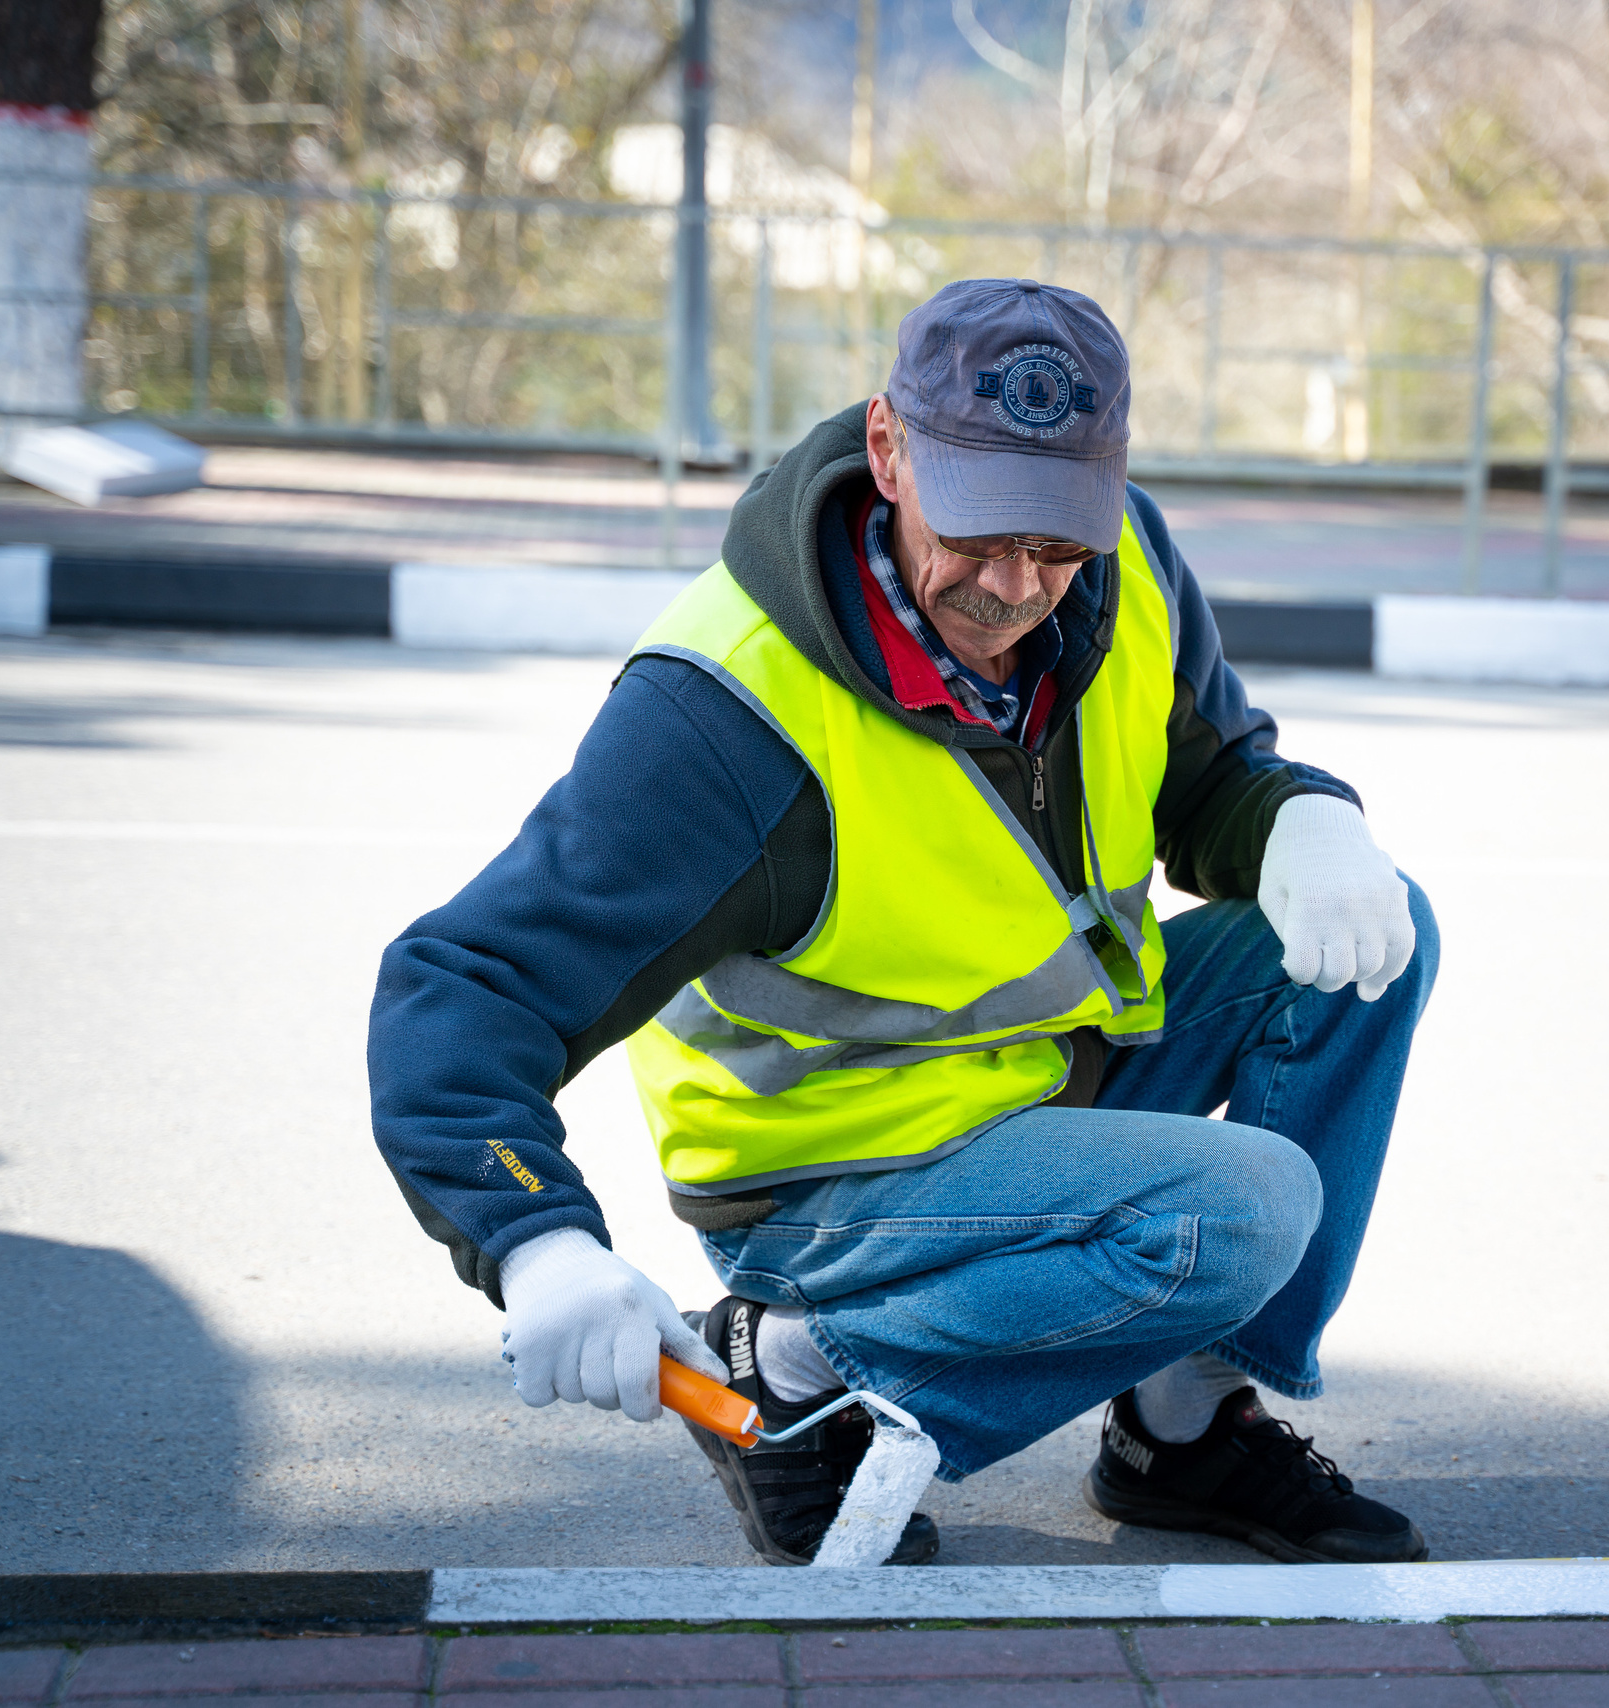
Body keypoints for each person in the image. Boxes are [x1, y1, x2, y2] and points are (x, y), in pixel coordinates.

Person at [369, 278, 1440, 1568]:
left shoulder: (1128, 563)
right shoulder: (725, 715)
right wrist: (533, 1240)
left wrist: (1303, 818)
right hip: (842, 1175)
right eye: (979, 533)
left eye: (1055, 544)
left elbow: (1209, 787)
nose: (1013, 587)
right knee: (1244, 1209)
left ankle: (1182, 1427)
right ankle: (794, 1376)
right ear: (888, 449)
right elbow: (463, 980)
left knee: (1372, 946)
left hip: (1046, 1076)